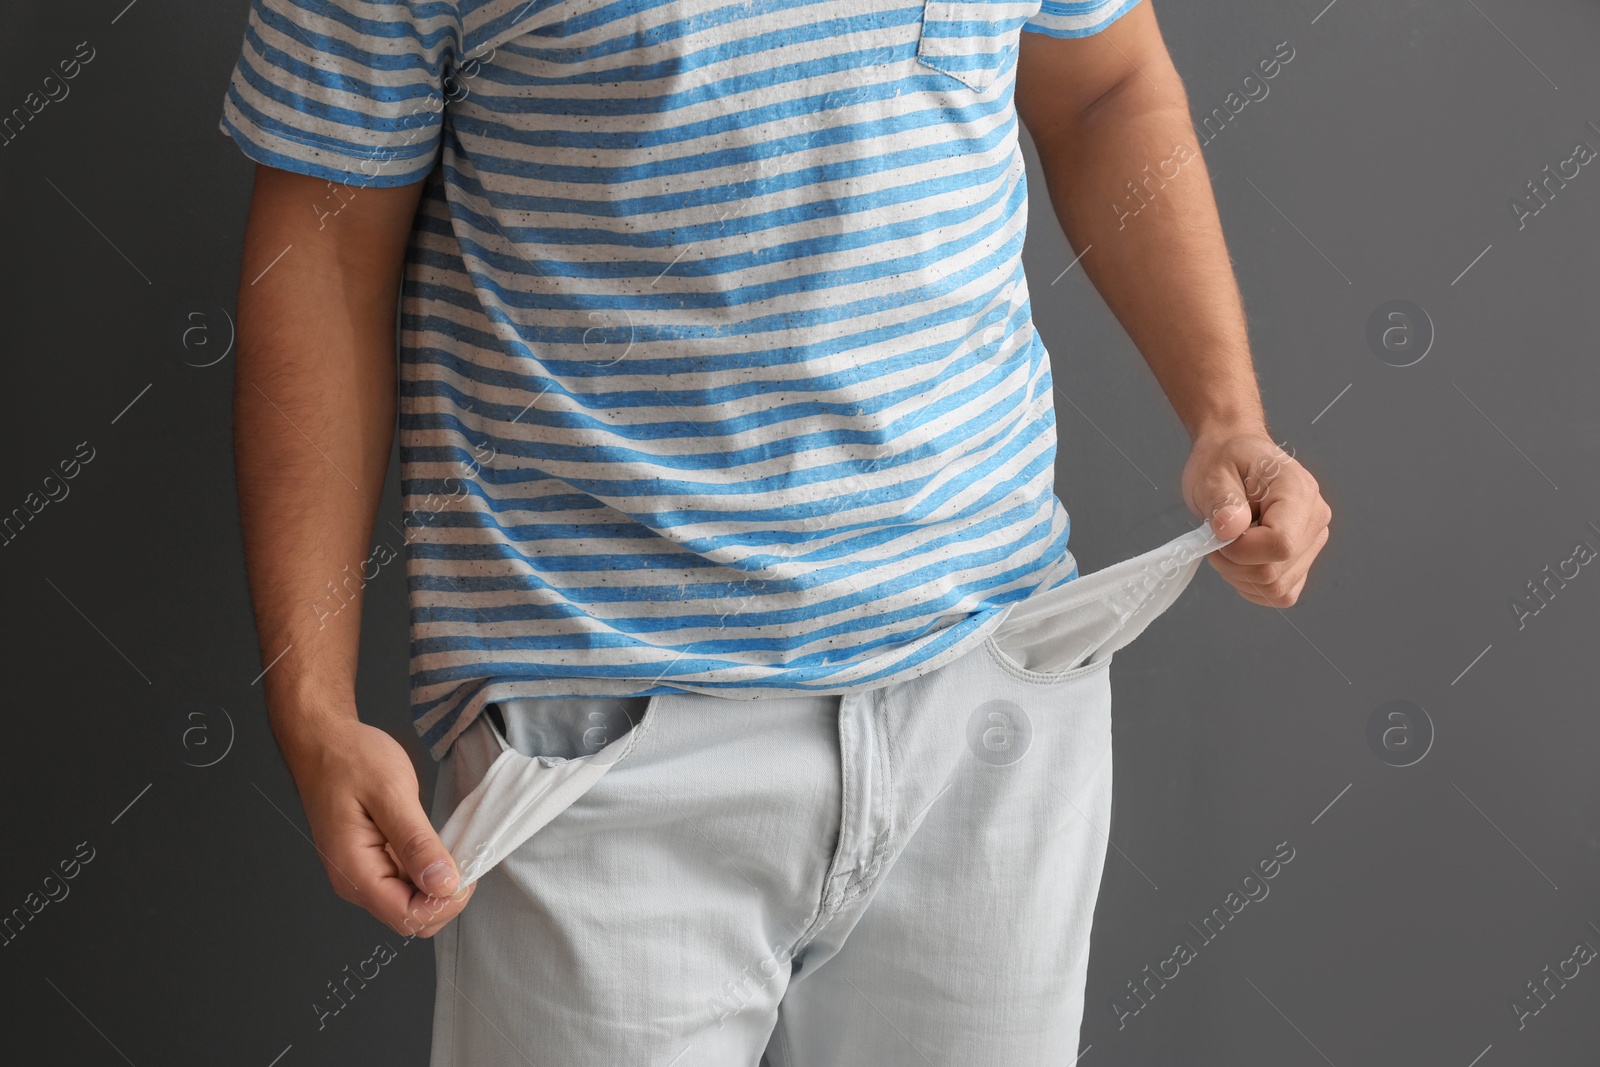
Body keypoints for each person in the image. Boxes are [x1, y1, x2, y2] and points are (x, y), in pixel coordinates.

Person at [220, 0, 1331, 1062]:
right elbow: (322, 254)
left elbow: (1104, 91)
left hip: (989, 694)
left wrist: (1226, 412)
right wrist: (309, 703)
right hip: (606, 730)